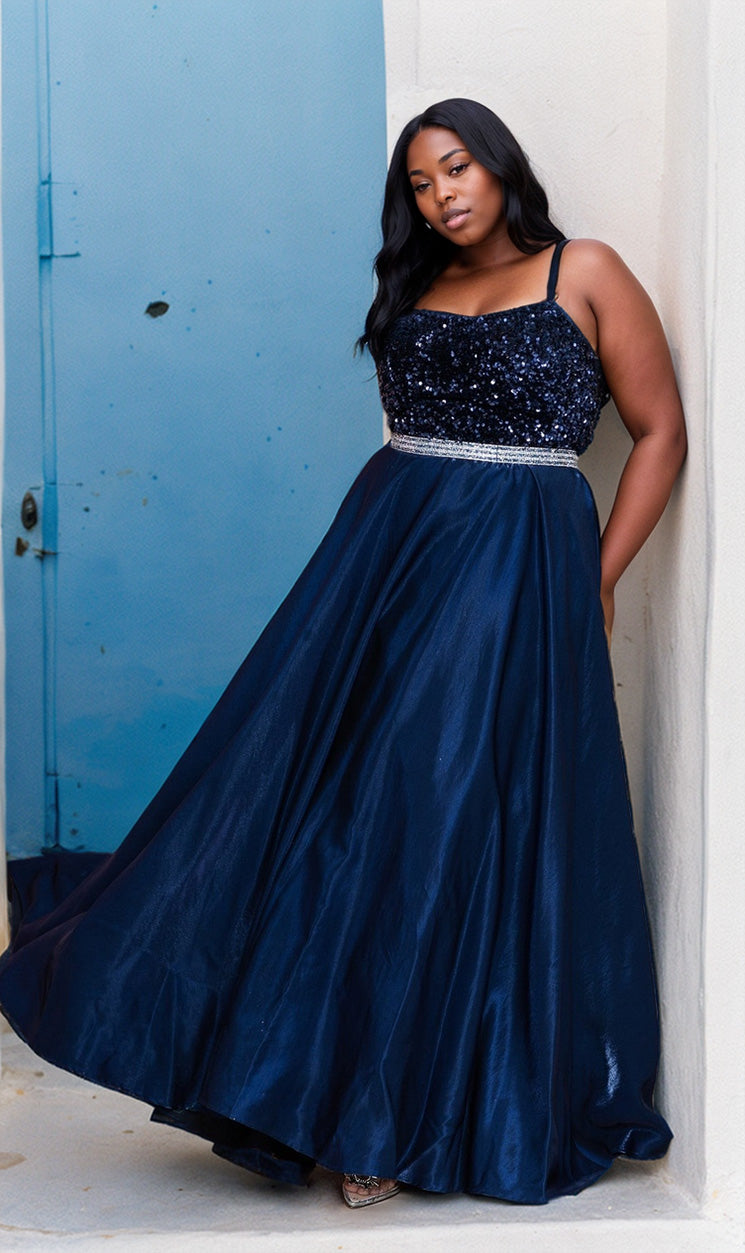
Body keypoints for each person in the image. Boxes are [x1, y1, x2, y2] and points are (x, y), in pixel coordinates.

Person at [0, 98, 686, 1211]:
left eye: (455, 168)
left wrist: (597, 574)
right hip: (383, 565)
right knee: (329, 808)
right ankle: (324, 1097)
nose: (441, 195)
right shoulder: (419, 287)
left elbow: (661, 432)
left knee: (450, 816)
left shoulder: (585, 270)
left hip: (515, 572)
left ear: (500, 165)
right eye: (418, 184)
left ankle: (394, 1115)